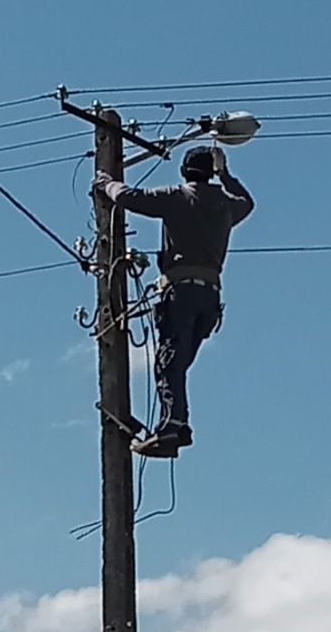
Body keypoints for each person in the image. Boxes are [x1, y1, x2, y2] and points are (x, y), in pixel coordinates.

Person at [92, 144, 254, 457]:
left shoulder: (177, 197)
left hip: (181, 292)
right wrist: (226, 175)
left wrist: (104, 182)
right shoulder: (224, 203)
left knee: (169, 363)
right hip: (210, 295)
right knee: (178, 365)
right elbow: (248, 202)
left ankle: (171, 427)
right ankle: (178, 425)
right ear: (210, 172)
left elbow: (128, 198)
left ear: (184, 171)